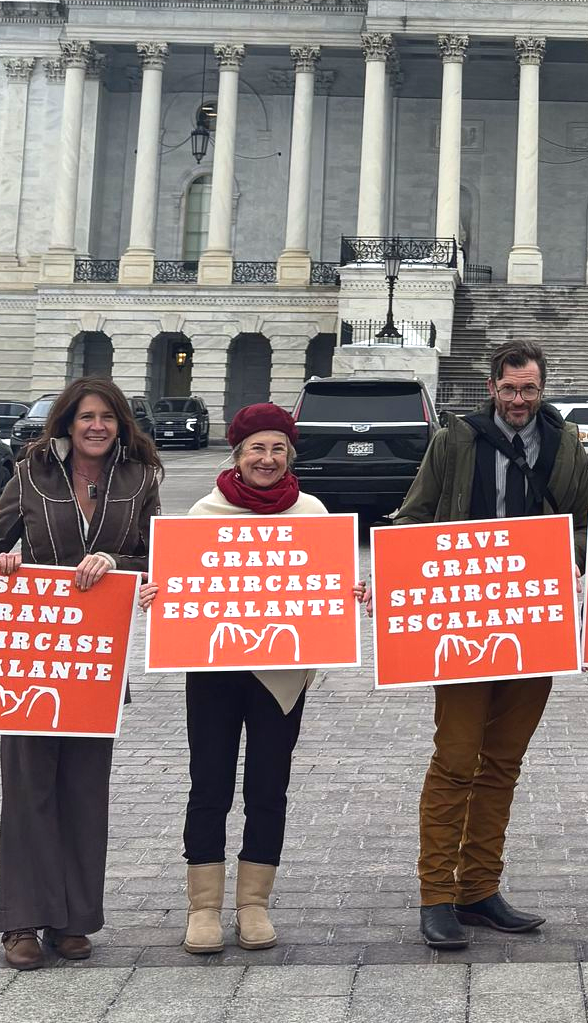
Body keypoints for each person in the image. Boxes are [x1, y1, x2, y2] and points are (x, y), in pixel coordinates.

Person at [135, 403, 366, 956]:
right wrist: (155, 596)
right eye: (257, 448)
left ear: (290, 456)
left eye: (278, 449)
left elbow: (324, 586)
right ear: (237, 454)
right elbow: (178, 583)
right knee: (209, 784)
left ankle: (255, 903)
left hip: (282, 674)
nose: (268, 459)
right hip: (213, 669)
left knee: (268, 785)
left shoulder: (312, 513)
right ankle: (204, 907)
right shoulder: (202, 513)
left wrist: (350, 595)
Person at [392, 340, 588, 950]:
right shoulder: (456, 440)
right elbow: (416, 512)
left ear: (542, 388)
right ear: (492, 387)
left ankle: (479, 888)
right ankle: (436, 896)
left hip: (535, 624)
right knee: (455, 760)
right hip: (462, 623)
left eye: (528, 389)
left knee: (503, 763)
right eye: (508, 389)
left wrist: (566, 556)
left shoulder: (564, 445)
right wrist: (395, 567)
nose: (518, 400)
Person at [0, 376, 163, 971]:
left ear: (121, 424)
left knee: (83, 792)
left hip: (96, 662)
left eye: (107, 416)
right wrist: (4, 562)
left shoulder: (139, 481)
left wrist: (119, 562)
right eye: (85, 417)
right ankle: (22, 923)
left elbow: (160, 556)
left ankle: (74, 921)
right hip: (29, 661)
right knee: (28, 791)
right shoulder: (31, 475)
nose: (96, 425)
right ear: (66, 424)